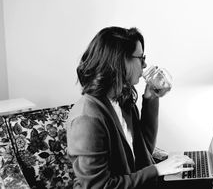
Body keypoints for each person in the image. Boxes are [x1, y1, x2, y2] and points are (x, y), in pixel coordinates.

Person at [66, 26, 194, 188]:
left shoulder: (121, 100)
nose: (145, 64)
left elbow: (144, 149)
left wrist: (151, 99)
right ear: (120, 61)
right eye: (141, 58)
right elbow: (100, 186)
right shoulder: (86, 119)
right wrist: (157, 170)